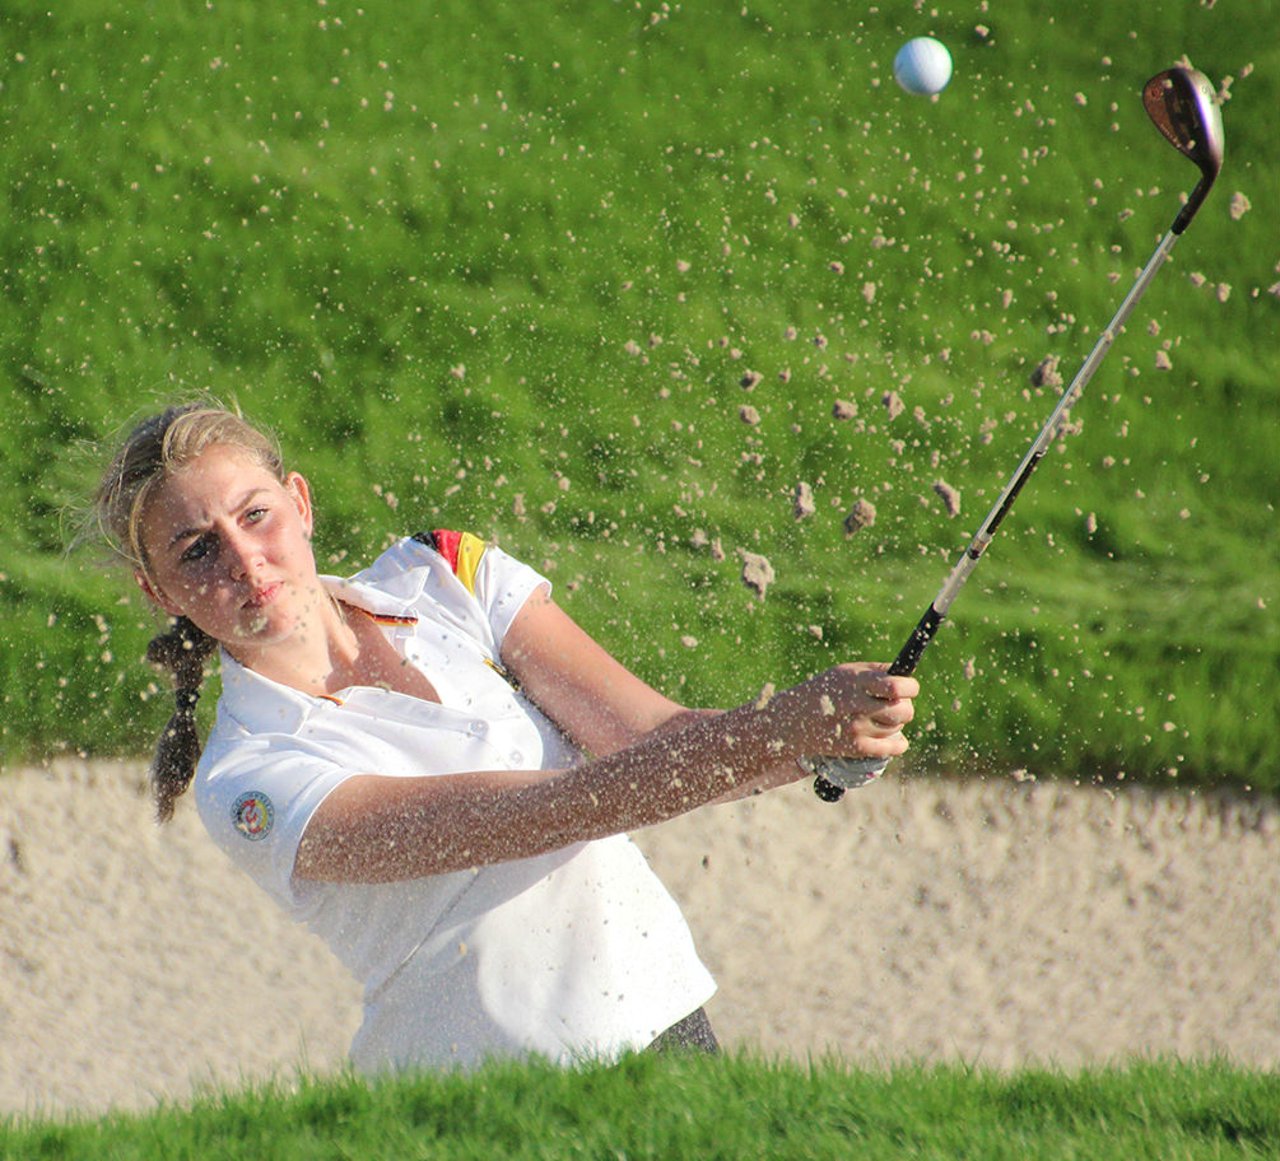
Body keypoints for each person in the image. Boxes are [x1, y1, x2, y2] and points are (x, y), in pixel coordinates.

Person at [88, 399, 920, 1073]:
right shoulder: (247, 779)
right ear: (159, 590)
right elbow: (552, 810)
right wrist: (780, 730)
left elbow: (649, 738)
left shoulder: (444, 569)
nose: (243, 558)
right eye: (198, 550)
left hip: (664, 1021)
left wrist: (812, 745)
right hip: (487, 1095)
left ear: (300, 503)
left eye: (255, 514)